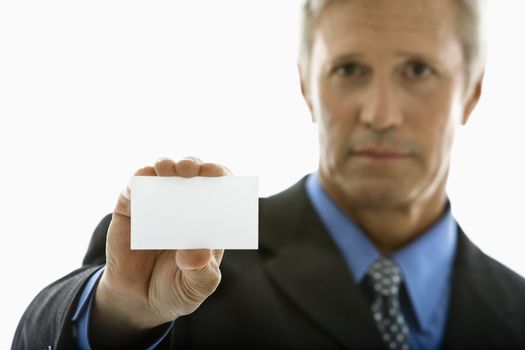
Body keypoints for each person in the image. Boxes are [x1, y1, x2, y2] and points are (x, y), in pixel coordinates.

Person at [12, 0, 525, 349]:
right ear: (306, 87)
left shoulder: (516, 312)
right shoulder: (189, 257)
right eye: (349, 70)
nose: (380, 113)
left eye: (418, 71)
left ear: (473, 91)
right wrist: (119, 316)